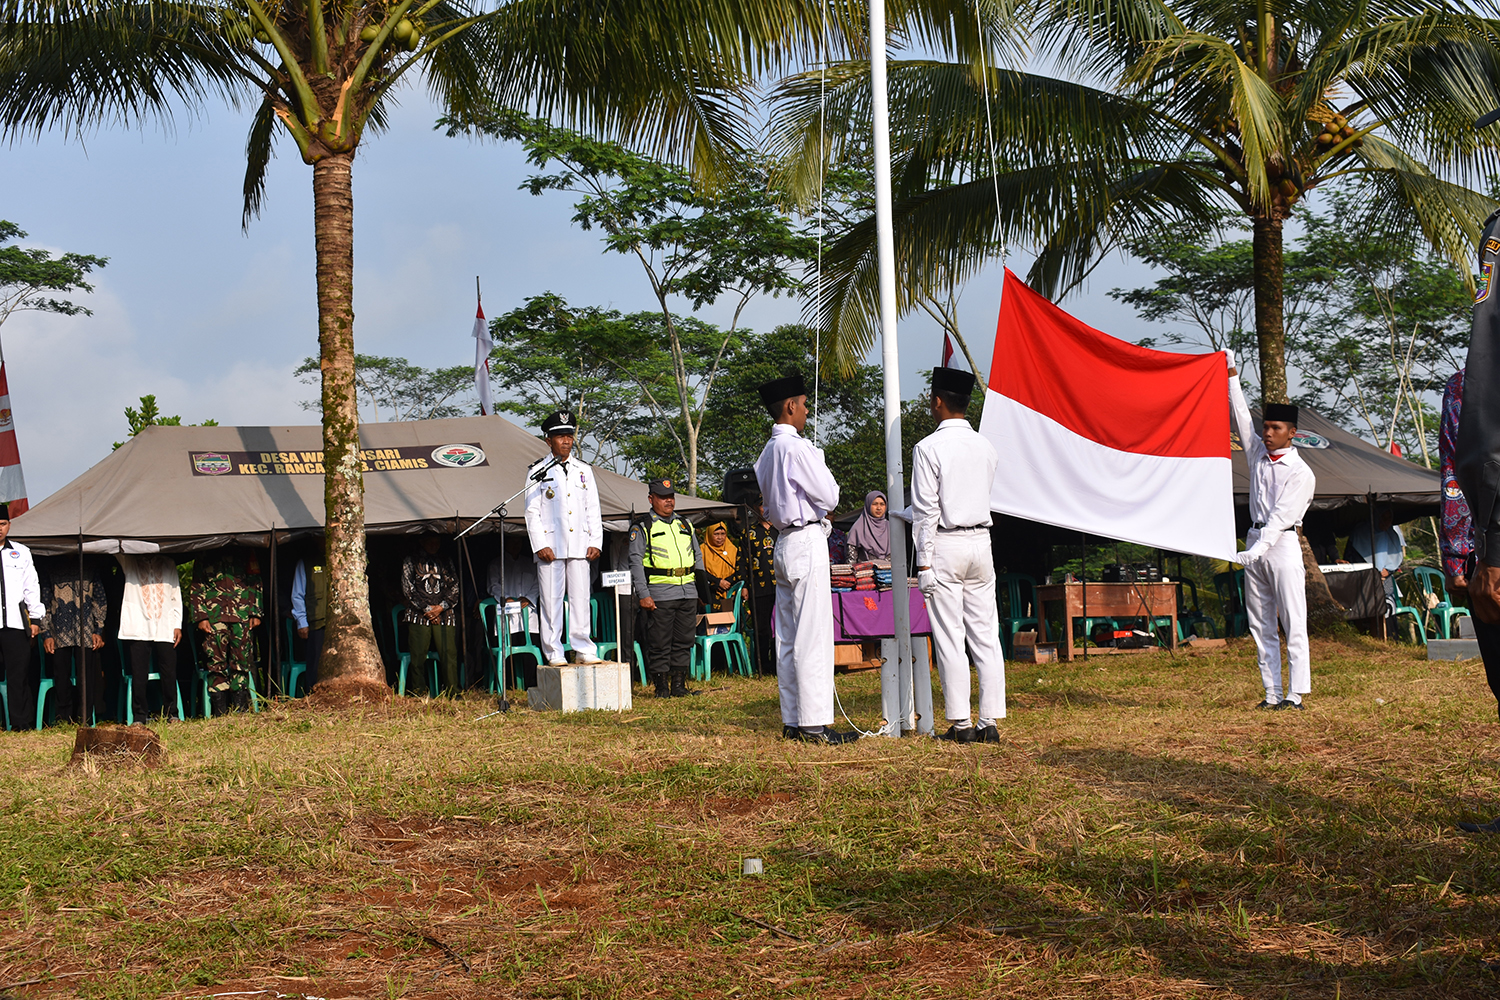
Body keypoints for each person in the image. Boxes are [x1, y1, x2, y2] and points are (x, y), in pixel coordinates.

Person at [753, 373, 856, 744]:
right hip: (806, 538)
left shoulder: (767, 452)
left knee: (788, 636)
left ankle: (793, 719)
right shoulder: (797, 448)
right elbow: (830, 497)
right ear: (790, 406)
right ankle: (814, 725)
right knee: (812, 634)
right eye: (804, 403)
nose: (807, 410)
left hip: (782, 540)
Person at [910, 367, 1006, 744]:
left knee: (950, 636)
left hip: (946, 545)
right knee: (985, 634)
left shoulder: (928, 448)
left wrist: (924, 563)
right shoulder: (987, 447)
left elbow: (925, 511)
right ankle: (990, 722)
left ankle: (961, 723)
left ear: (937, 401)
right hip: (981, 541)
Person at [1228, 354, 1316, 710]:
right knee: (1260, 622)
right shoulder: (1258, 456)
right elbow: (1242, 419)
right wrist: (1231, 376)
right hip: (1254, 539)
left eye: (1275, 428)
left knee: (1293, 619)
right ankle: (1271, 692)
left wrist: (1257, 549)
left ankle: (1295, 694)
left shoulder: (1301, 472)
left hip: (1281, 544)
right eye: (1266, 427)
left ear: (1292, 433)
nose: (1266, 433)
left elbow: (1281, 518)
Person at [525, 409, 603, 666]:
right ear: (549, 441)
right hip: (551, 545)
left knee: (581, 597)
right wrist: (540, 545)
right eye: (560, 436)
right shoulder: (538, 470)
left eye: (569, 435)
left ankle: (583, 647)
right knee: (551, 600)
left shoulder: (584, 470)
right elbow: (532, 511)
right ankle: (554, 651)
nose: (566, 441)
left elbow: (593, 508)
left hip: (580, 544)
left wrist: (596, 541)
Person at [628, 479, 706, 697]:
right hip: (660, 592)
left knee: (684, 640)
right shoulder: (643, 527)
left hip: (687, 590)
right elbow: (635, 562)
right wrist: (643, 594)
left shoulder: (685, 524)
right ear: (651, 499)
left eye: (671, 496)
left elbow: (697, 556)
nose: (668, 501)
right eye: (663, 497)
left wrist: (700, 590)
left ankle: (679, 686)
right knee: (660, 642)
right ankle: (661, 687)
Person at [192, 548, 262, 714]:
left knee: (242, 661)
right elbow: (197, 584)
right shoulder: (206, 549)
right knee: (215, 662)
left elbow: (255, 581)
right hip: (214, 615)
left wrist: (256, 611)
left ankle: (240, 708)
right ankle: (220, 711)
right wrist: (201, 616)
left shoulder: (245, 548)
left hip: (242, 614)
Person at [39, 557, 108, 726]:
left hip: (85, 630)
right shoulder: (51, 566)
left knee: (87, 676)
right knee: (61, 676)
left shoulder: (90, 566)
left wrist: (98, 630)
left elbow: (99, 599)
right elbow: (44, 603)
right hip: (58, 631)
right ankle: (63, 719)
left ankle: (85, 719)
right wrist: (46, 633)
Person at [114, 553, 182, 723]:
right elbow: (116, 547)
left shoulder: (168, 563)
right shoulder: (130, 562)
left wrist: (177, 624)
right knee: (139, 673)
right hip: (139, 625)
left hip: (165, 624)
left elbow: (175, 593)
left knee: (169, 671)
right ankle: (139, 715)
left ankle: (172, 713)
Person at [0, 505, 44, 731]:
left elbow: (31, 586)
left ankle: (21, 723)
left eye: (2, 524)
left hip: (16, 624)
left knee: (19, 675)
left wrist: (35, 619)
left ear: (9, 525)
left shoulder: (21, 552)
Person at [401, 534, 460, 697]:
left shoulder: (446, 560)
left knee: (449, 655)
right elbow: (409, 589)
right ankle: (419, 692)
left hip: (444, 614)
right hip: (418, 614)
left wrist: (440, 608)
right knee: (418, 655)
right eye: (430, 540)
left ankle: (453, 692)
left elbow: (454, 587)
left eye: (437, 541)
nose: (434, 544)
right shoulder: (411, 560)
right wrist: (427, 609)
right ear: (422, 541)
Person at [1348, 506, 1406, 611]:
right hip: (1364, 581)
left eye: (1389, 518)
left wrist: (1388, 571)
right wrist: (1372, 572)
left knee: (1388, 606)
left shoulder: (1392, 535)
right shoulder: (1360, 533)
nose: (1386, 522)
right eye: (1383, 517)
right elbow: (1351, 558)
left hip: (1386, 580)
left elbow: (1397, 559)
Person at [745, 498, 777, 676]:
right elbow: (742, 561)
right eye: (762, 504)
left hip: (781, 587)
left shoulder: (780, 531)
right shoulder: (749, 533)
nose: (765, 508)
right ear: (756, 508)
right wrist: (744, 586)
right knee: (762, 629)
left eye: (768, 504)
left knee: (782, 628)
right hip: (758, 587)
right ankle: (763, 666)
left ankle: (779, 665)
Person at [487, 534, 541, 633]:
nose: (515, 545)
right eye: (512, 541)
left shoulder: (530, 563)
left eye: (518, 542)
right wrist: (506, 598)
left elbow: (538, 583)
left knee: (529, 644)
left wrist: (528, 598)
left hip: (529, 614)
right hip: (506, 613)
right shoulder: (496, 563)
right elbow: (493, 586)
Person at [289, 556, 327, 689]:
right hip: (316, 621)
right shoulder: (307, 563)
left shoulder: (344, 558)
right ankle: (313, 696)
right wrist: (302, 621)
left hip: (338, 622)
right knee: (315, 665)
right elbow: (297, 594)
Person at [700, 521, 738, 612]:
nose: (720, 537)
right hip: (710, 593)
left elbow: (739, 569)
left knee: (732, 622)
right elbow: (700, 572)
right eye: (716, 534)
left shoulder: (733, 549)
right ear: (709, 534)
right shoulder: (702, 550)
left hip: (730, 591)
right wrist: (718, 582)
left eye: (723, 534)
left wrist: (727, 582)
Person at [847, 491, 891, 563]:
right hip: (864, 572)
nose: (879, 508)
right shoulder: (858, 528)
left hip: (890, 572)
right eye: (875, 504)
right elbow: (851, 561)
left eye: (882, 504)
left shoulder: (891, 527)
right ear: (868, 505)